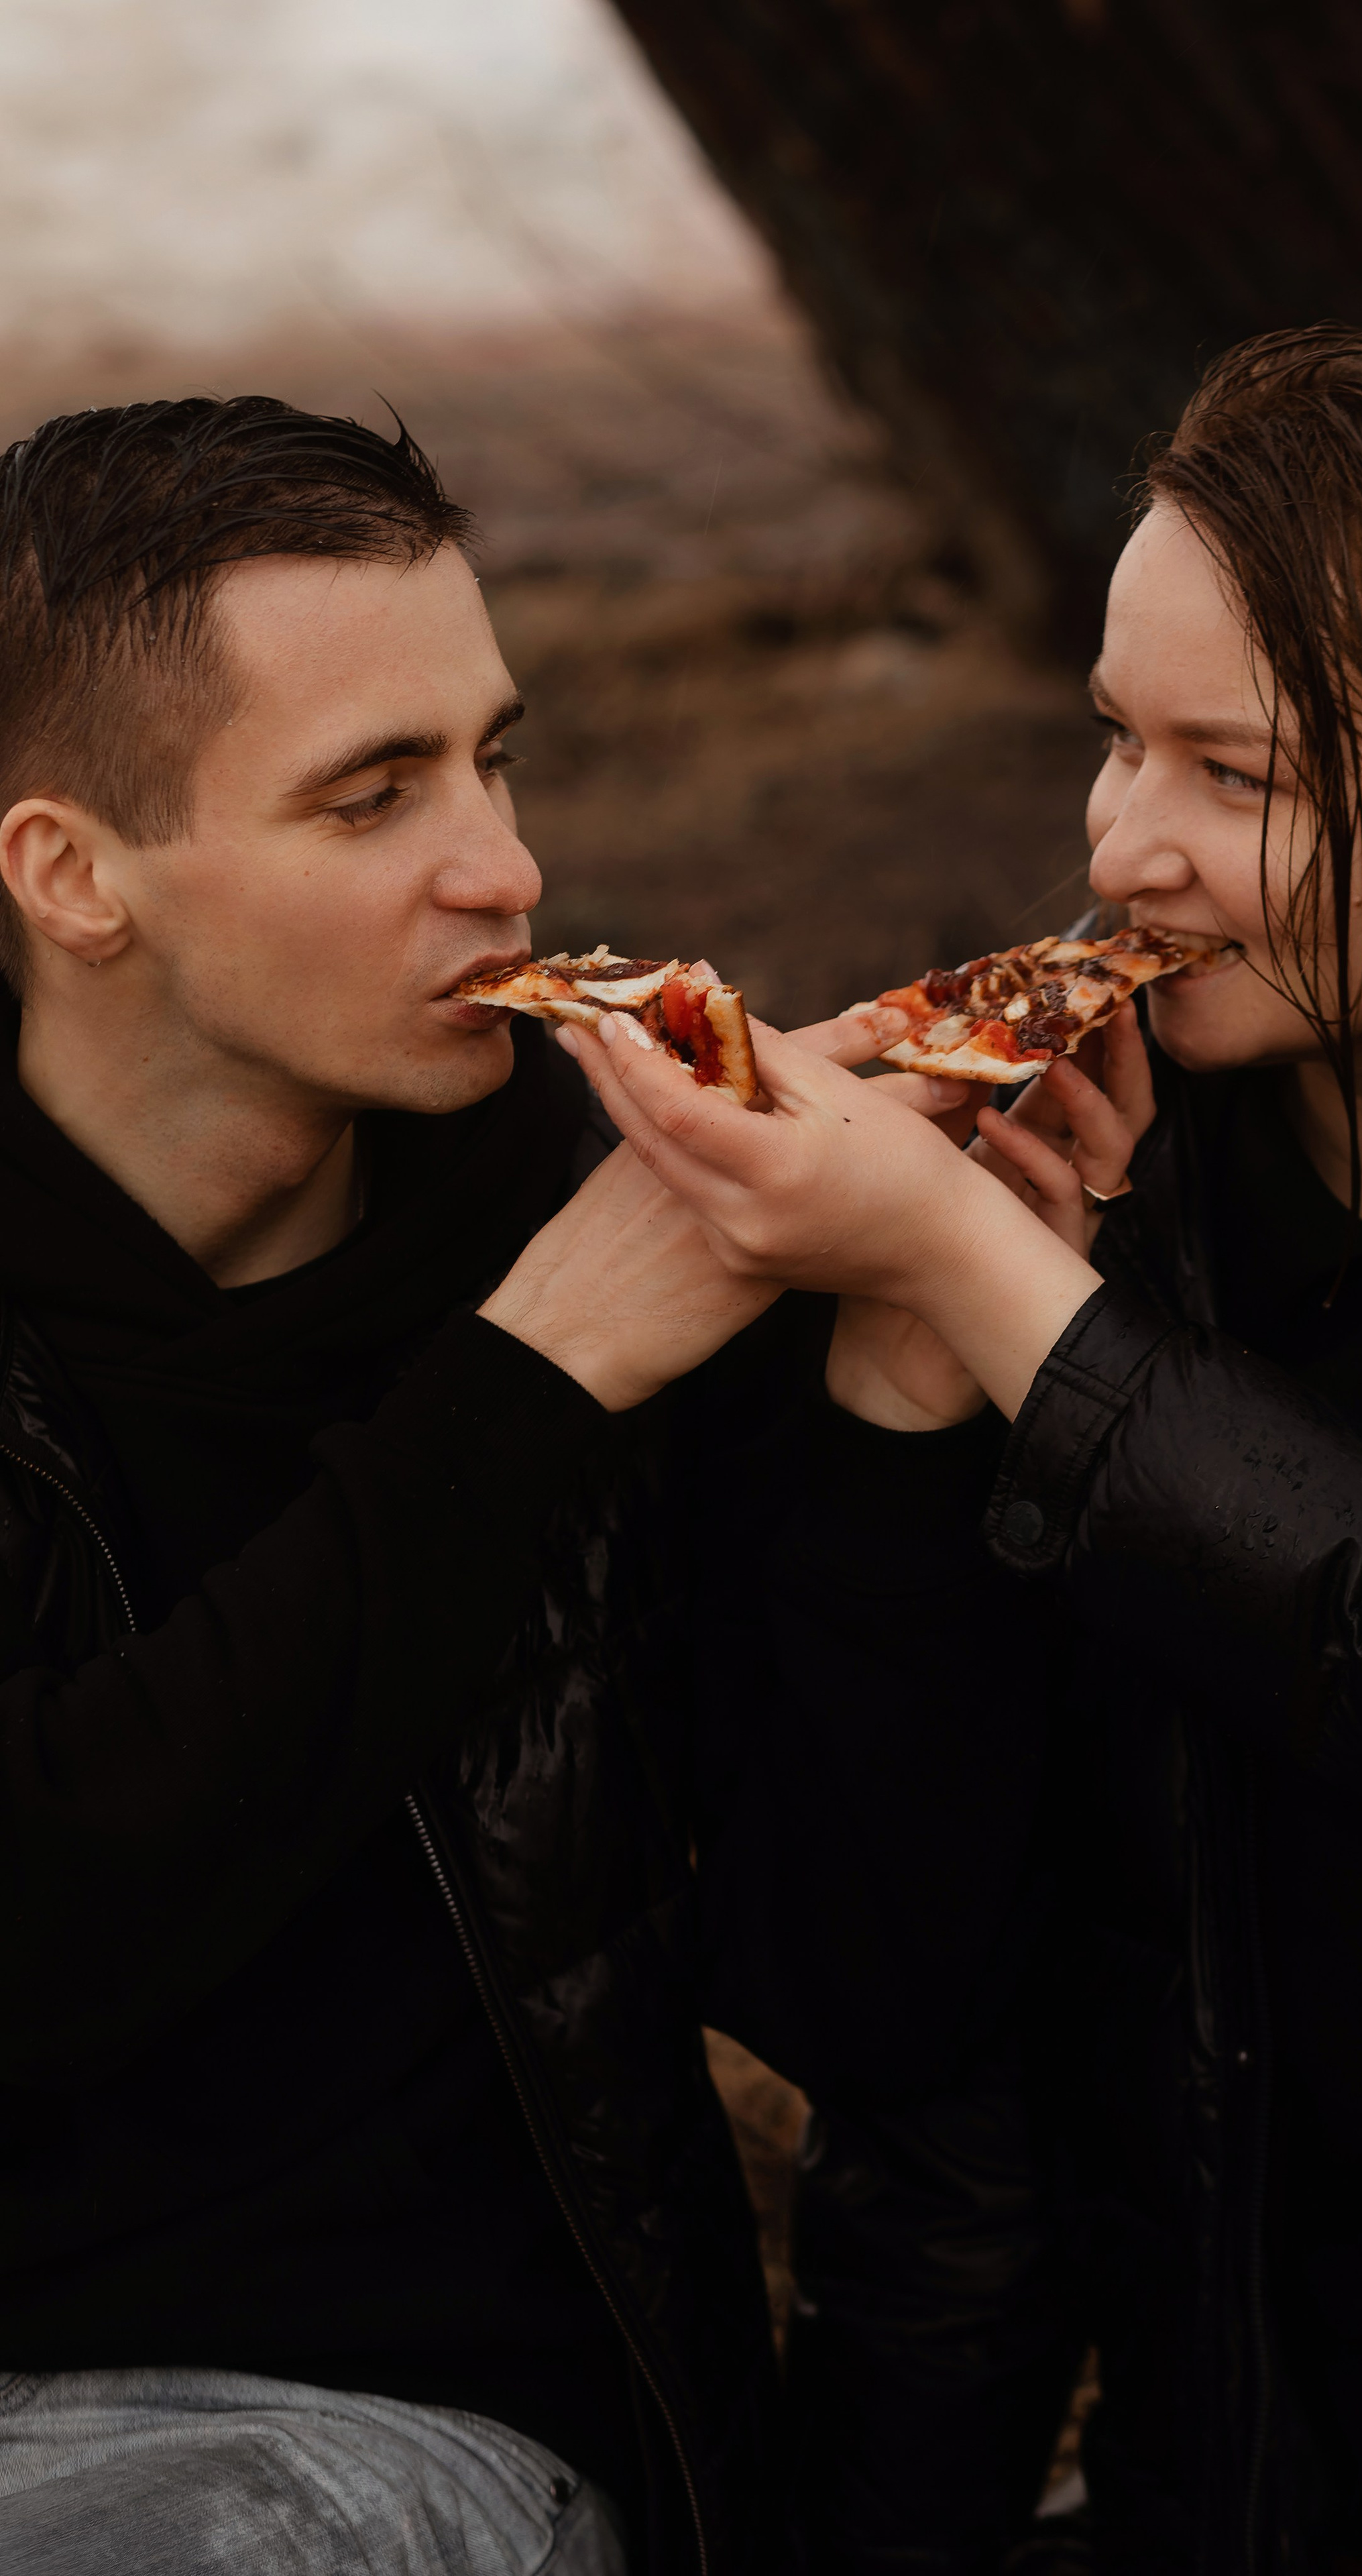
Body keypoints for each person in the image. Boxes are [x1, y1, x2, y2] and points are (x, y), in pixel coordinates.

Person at [576, 327, 1362, 2575]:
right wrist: (913, 1378)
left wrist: (1011, 1305)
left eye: (1247, 773)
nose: (1125, 843)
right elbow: (870, 1991)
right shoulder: (1115, 1166)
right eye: (1114, 739)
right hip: (1231, 2472)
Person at [0, 393, 850, 2576]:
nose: (505, 868)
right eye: (377, 796)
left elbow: (876, 1946)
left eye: (494, 756)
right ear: (71, 875)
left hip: (372, 2419)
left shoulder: (615, 1207)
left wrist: (919, 1388)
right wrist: (532, 1378)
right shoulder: (582, 1299)